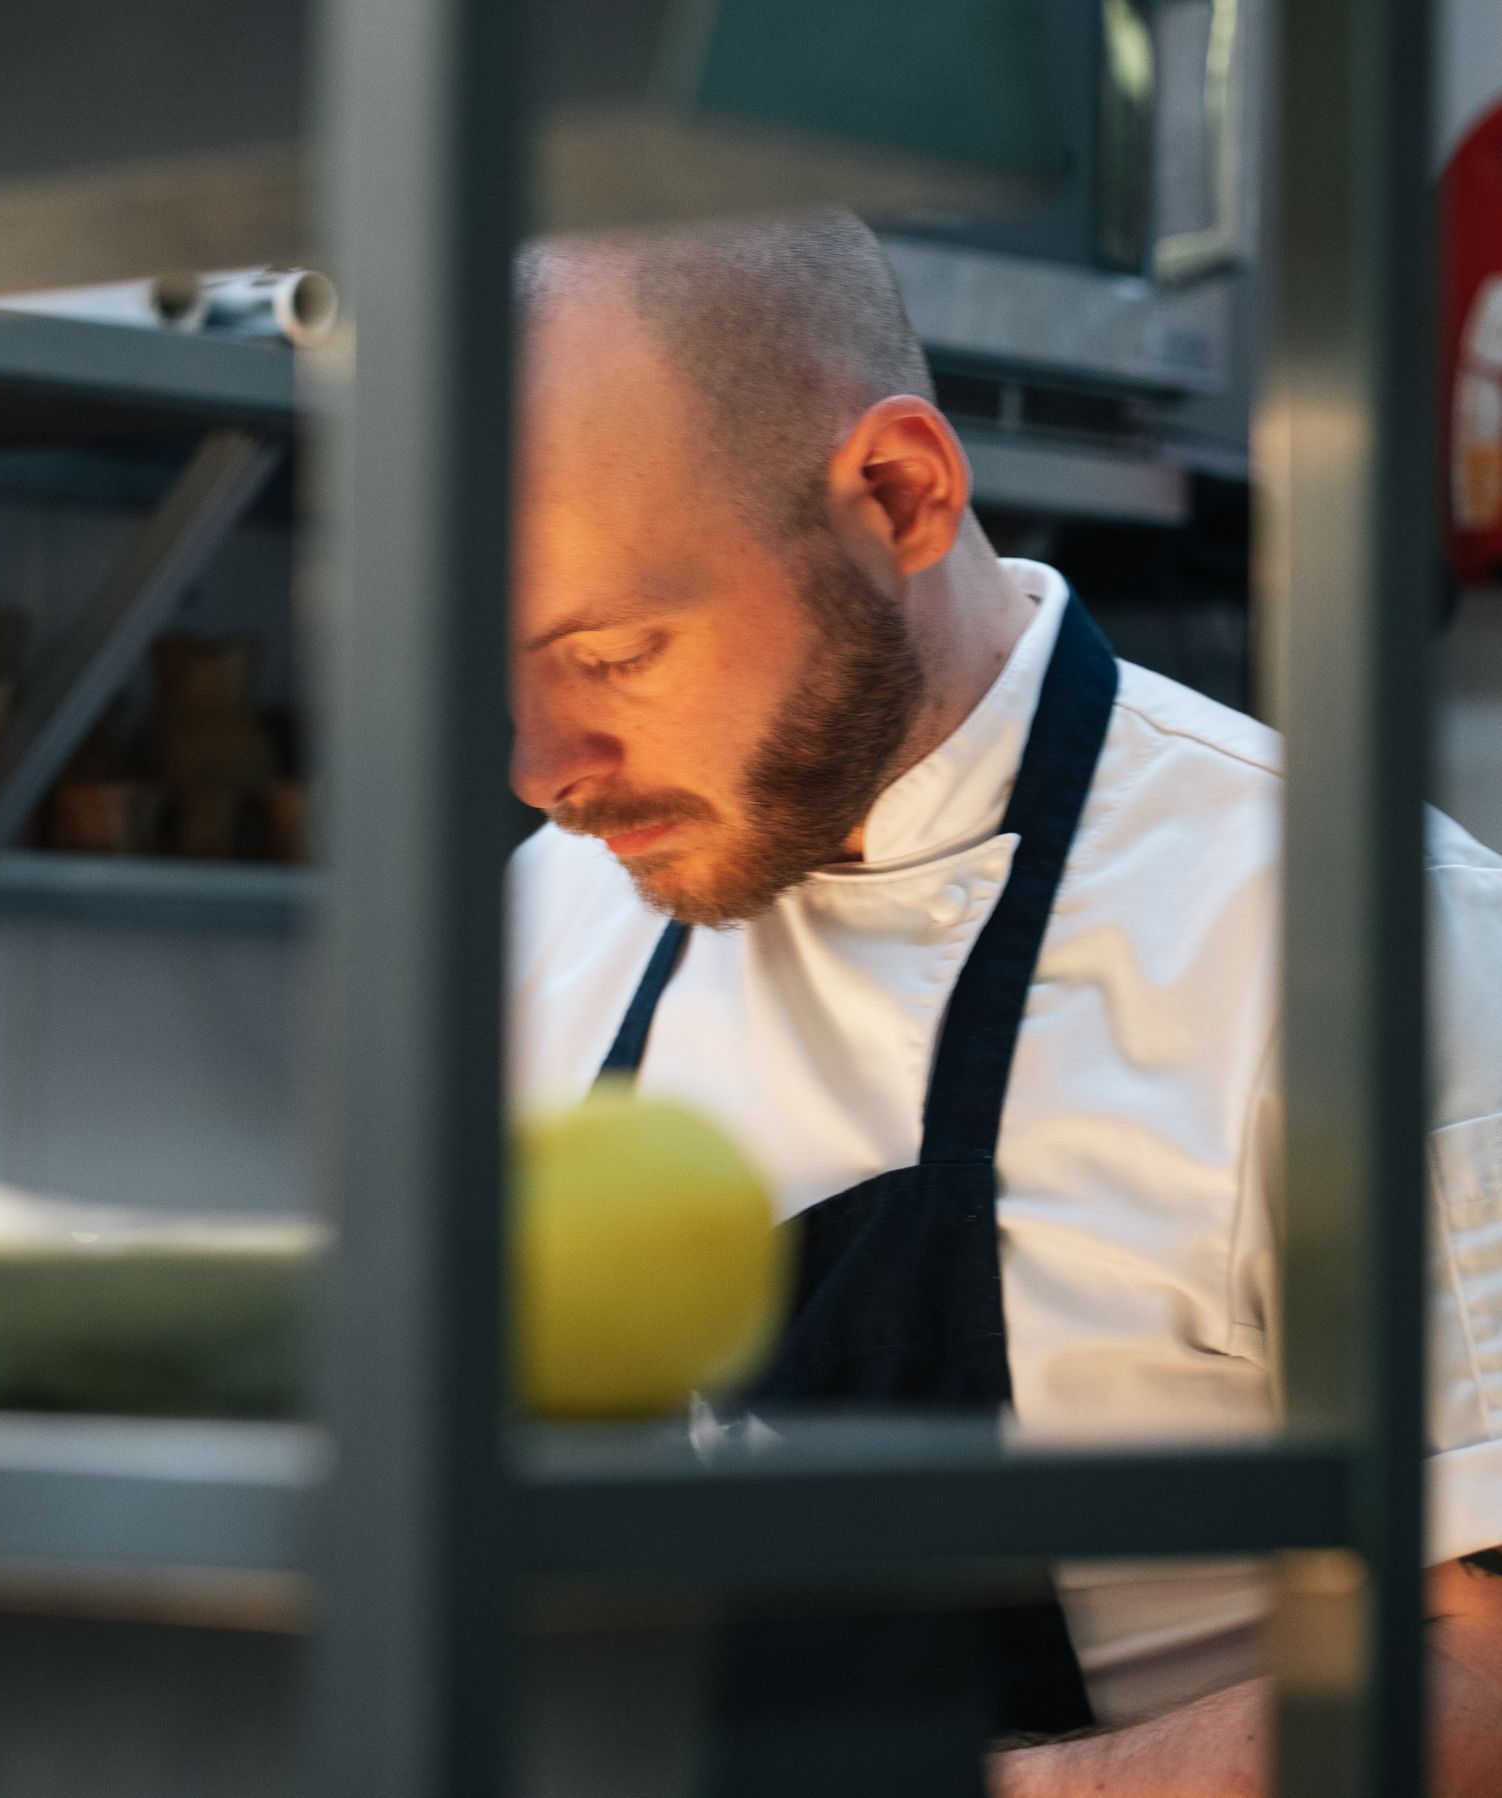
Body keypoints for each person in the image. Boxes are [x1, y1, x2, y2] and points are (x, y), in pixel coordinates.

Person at [507, 213, 1502, 1793]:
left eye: (613, 654)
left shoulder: (1357, 936)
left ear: (900, 493)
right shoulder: (540, 924)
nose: (545, 771)